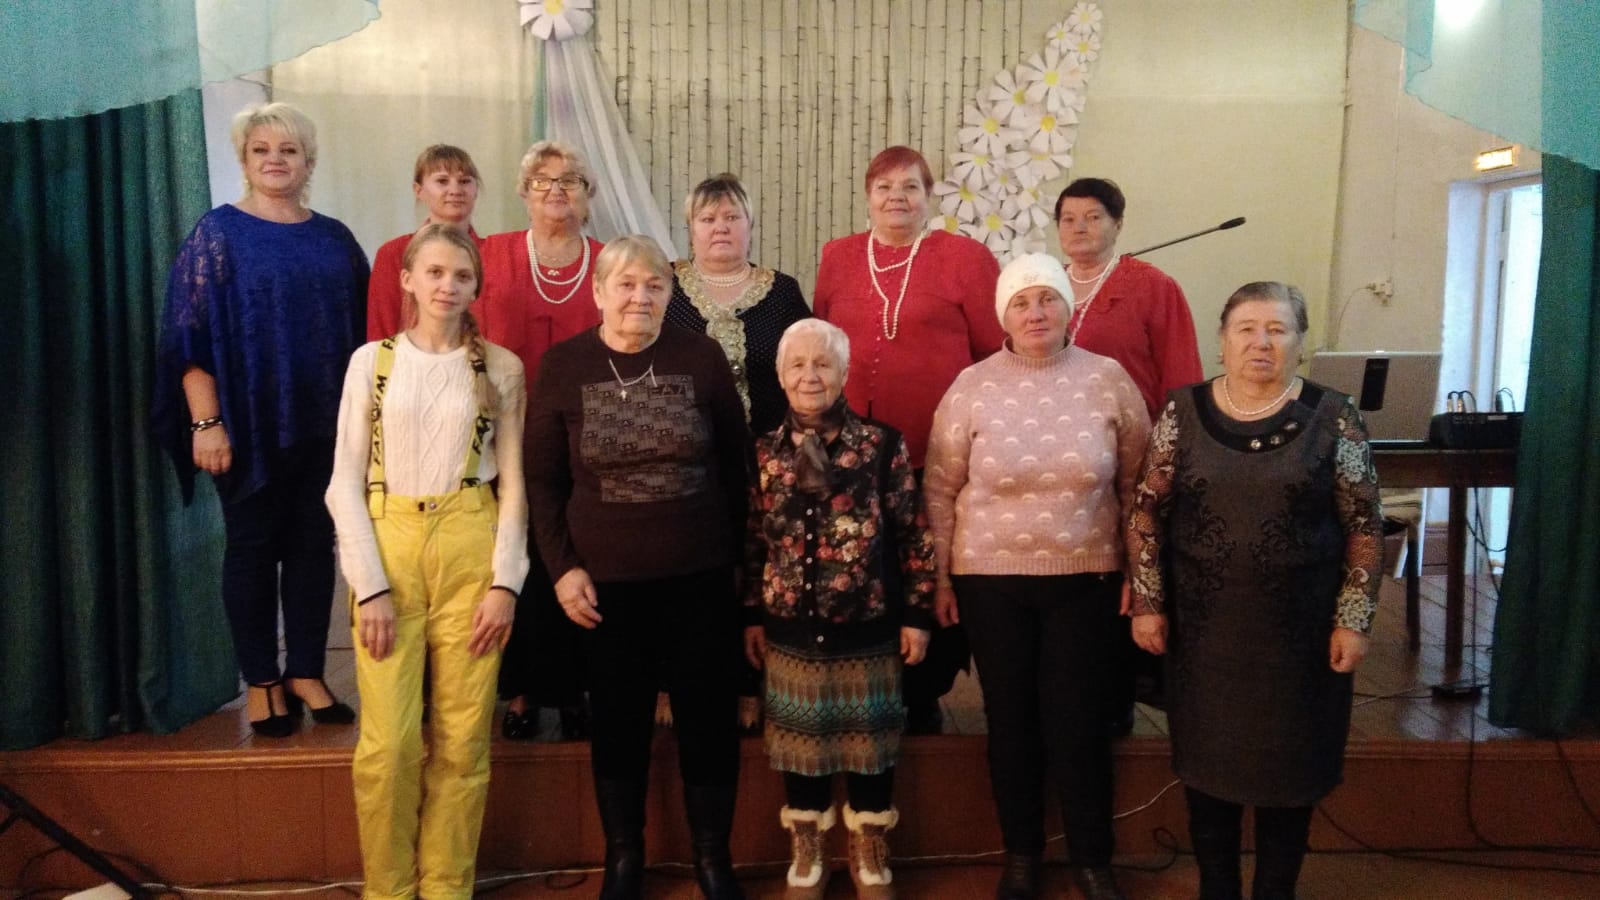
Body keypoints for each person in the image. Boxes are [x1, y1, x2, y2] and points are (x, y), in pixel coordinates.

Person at [1126, 282, 1383, 900]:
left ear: (1300, 342)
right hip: (1205, 638)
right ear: (1222, 341)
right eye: (1246, 329)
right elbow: (1144, 512)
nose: (1260, 343)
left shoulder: (1334, 416)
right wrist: (1148, 603)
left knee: (1288, 779)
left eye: (1277, 329)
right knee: (1208, 777)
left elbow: (1364, 523)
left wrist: (1354, 618)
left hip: (1300, 641)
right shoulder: (1182, 412)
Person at [526, 235, 751, 900]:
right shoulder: (564, 366)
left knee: (708, 721)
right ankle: (624, 856)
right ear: (598, 292)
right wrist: (562, 569)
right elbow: (543, 482)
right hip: (605, 588)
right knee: (618, 723)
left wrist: (738, 567)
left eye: (654, 286)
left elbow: (736, 467)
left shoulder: (700, 357)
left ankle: (713, 859)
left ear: (670, 294)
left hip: (699, 578)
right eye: (625, 284)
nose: (639, 297)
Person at [923, 253, 1151, 900]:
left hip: (1087, 579)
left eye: (1048, 298)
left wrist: (1140, 573)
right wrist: (941, 579)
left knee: (1080, 723)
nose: (1036, 313)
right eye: (1021, 303)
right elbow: (939, 490)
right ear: (1003, 315)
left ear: (1067, 308)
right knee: (1011, 723)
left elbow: (1140, 487)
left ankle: (1092, 860)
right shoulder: (971, 385)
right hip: (990, 583)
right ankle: (1021, 855)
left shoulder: (1108, 379)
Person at [152, 101, 367, 737]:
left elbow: (366, 333)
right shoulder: (216, 233)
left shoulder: (335, 237)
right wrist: (205, 424)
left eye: (288, 149)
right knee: (251, 546)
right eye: (261, 149)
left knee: (313, 546)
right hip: (243, 427)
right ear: (244, 160)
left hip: (324, 425)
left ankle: (306, 672)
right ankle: (262, 682)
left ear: (308, 161)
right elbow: (188, 338)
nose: (275, 159)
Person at [325, 224, 526, 900]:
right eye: (434, 272)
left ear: (476, 287)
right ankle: (389, 889)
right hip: (391, 548)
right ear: (407, 280)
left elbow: (514, 485)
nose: (448, 285)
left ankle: (447, 887)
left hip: (471, 545)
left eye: (461, 276)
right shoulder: (371, 363)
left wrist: (505, 582)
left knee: (465, 740)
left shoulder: (501, 368)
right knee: (388, 747)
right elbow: (343, 484)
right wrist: (370, 587)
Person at [813, 145, 1005, 734]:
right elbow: (821, 344)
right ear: (867, 196)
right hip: (853, 455)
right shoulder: (838, 256)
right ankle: (864, 682)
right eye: (884, 187)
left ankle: (926, 689)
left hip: (936, 450)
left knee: (931, 567)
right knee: (864, 567)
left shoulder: (965, 257)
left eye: (910, 186)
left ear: (929, 196)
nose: (896, 197)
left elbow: (993, 355)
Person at [744, 319, 935, 900]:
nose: (810, 376)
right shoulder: (761, 451)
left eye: (823, 363)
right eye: (798, 364)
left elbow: (913, 534)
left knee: (870, 749)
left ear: (845, 372)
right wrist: (751, 614)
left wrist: (917, 615)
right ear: (780, 375)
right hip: (788, 629)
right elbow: (751, 540)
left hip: (868, 628)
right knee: (801, 747)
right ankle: (807, 848)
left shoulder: (882, 445)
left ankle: (869, 848)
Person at [1054, 176, 1204, 735]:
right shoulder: (1047, 288)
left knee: (1127, 574)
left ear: (1118, 224)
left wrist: (1169, 460)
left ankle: (1123, 695)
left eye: (1093, 217)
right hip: (1059, 466)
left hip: (1134, 458)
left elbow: (1181, 380)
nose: (1080, 228)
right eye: (1068, 219)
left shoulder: (1152, 286)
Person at [665, 172, 811, 732]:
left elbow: (805, 365)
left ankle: (752, 682)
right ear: (690, 228)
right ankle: (674, 682)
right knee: (693, 568)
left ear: (750, 225)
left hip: (768, 458)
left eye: (731, 217)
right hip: (686, 459)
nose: (720, 227)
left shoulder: (782, 292)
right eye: (708, 218)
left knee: (761, 567)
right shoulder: (667, 287)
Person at [480, 140, 604, 741]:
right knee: (518, 558)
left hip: (589, 436)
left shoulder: (606, 260)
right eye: (542, 180)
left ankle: (577, 688)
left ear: (588, 195)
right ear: (524, 192)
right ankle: (523, 689)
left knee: (580, 554)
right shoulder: (491, 254)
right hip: (507, 431)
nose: (556, 189)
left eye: (570, 180)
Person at [367, 144, 485, 341]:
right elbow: (382, 333)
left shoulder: (495, 254)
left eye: (464, 181)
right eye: (442, 181)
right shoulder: (393, 254)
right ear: (419, 190)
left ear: (476, 190)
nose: (455, 190)